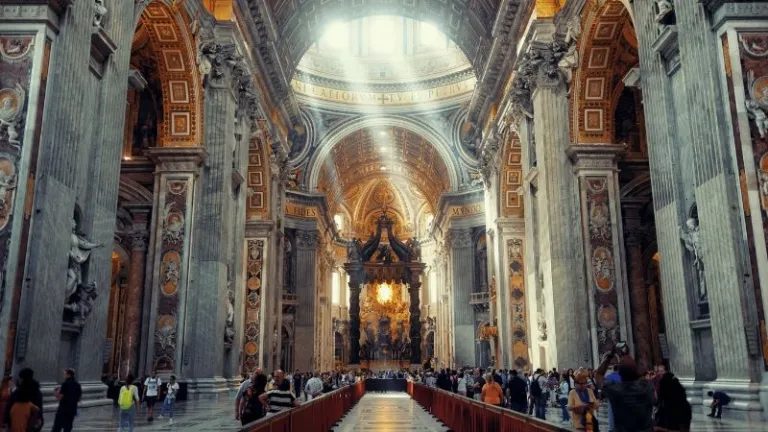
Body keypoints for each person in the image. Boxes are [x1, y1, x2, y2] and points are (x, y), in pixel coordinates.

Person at [595, 349, 655, 432]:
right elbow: (644, 371)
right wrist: (628, 355)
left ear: (619, 374)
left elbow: (598, 374)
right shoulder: (647, 387)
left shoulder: (614, 390)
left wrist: (609, 357)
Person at [52, 368, 82, 432]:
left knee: (57, 427)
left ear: (69, 375)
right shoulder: (78, 385)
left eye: (64, 374)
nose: (64, 376)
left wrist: (55, 391)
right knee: (68, 428)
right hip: (72, 410)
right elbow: (78, 398)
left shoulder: (65, 384)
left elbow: (59, 397)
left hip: (63, 410)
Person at [604, 364, 621, 432]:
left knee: (611, 413)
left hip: (611, 397)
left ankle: (612, 428)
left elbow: (605, 387)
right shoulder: (620, 376)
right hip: (620, 398)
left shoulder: (609, 376)